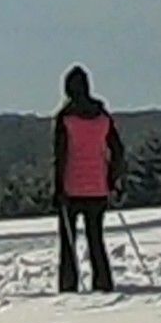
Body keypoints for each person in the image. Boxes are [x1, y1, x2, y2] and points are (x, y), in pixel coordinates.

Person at [51, 65, 124, 292]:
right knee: (96, 240)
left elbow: (61, 156)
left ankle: (69, 285)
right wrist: (112, 179)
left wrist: (57, 188)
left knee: (69, 243)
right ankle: (103, 283)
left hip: (71, 189)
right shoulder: (103, 117)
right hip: (98, 188)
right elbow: (117, 150)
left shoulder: (65, 119)